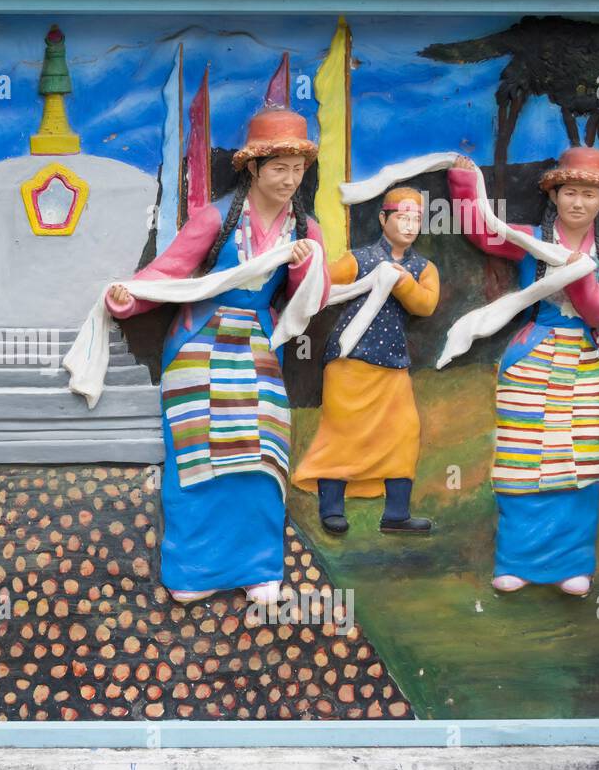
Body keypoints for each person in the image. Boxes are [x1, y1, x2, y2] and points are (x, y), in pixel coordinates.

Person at [106, 105, 330, 606]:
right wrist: (129, 298)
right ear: (252, 168)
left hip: (257, 347)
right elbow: (170, 273)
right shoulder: (215, 219)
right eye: (279, 169)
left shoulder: (304, 230)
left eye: (298, 170)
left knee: (261, 454)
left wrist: (304, 266)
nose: (290, 180)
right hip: (200, 344)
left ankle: (259, 567)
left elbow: (310, 301)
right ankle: (194, 568)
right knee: (198, 456)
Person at [448, 148, 599, 596]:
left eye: (589, 194)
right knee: (522, 460)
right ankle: (517, 561)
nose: (578, 203)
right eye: (570, 192)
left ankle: (573, 564)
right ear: (554, 195)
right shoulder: (531, 237)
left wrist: (580, 274)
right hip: (532, 356)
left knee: (578, 464)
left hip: (583, 365)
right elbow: (485, 231)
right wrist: (465, 180)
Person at [292, 187, 440, 534]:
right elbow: (321, 284)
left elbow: (426, 305)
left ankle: (396, 514)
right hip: (350, 359)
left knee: (404, 433)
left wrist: (400, 282)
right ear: (383, 219)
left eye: (416, 219)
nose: (409, 225)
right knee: (343, 433)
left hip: (392, 362)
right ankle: (331, 509)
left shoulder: (423, 268)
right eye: (402, 217)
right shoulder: (359, 260)